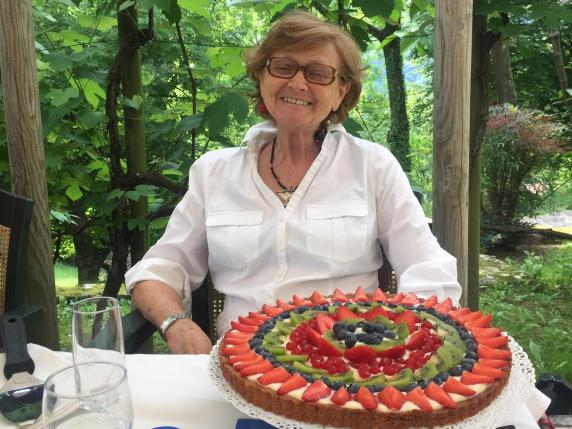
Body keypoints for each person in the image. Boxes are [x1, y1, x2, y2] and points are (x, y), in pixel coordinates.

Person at [125, 11, 461, 354]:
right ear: (262, 77)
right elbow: (161, 269)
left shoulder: (372, 165)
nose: (298, 83)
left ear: (341, 91)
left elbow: (428, 266)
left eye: (318, 73)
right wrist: (175, 323)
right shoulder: (213, 173)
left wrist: (407, 337)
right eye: (283, 67)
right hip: (240, 362)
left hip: (347, 363)